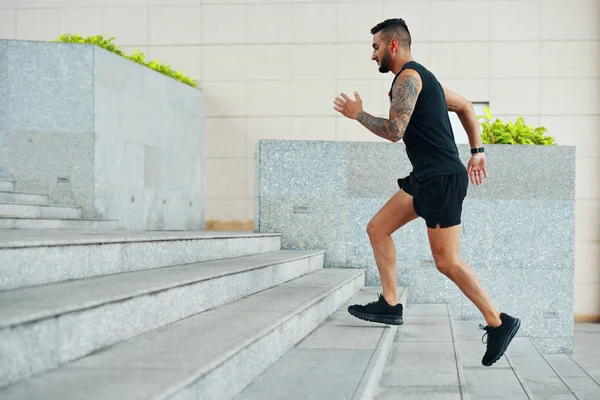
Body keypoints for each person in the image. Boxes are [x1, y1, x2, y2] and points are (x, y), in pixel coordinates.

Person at [333, 18, 520, 367]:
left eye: (375, 47)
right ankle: (390, 304)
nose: (372, 55)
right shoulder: (425, 79)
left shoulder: (408, 78)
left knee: (447, 262)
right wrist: (477, 152)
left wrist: (358, 114)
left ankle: (499, 322)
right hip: (426, 177)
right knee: (378, 228)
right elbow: (465, 106)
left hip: (441, 180)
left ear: (392, 46)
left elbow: (394, 131)